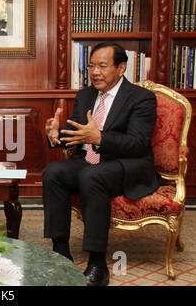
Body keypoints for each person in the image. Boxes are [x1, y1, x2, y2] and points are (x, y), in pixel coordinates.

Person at [42, 42, 161, 286]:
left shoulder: (141, 98)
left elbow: (137, 143)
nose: (95, 72)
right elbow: (76, 131)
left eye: (102, 66)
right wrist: (56, 136)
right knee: (53, 171)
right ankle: (61, 252)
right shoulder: (85, 94)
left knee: (92, 176)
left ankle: (98, 264)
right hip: (88, 161)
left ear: (121, 68)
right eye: (91, 66)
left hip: (125, 164)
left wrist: (100, 138)